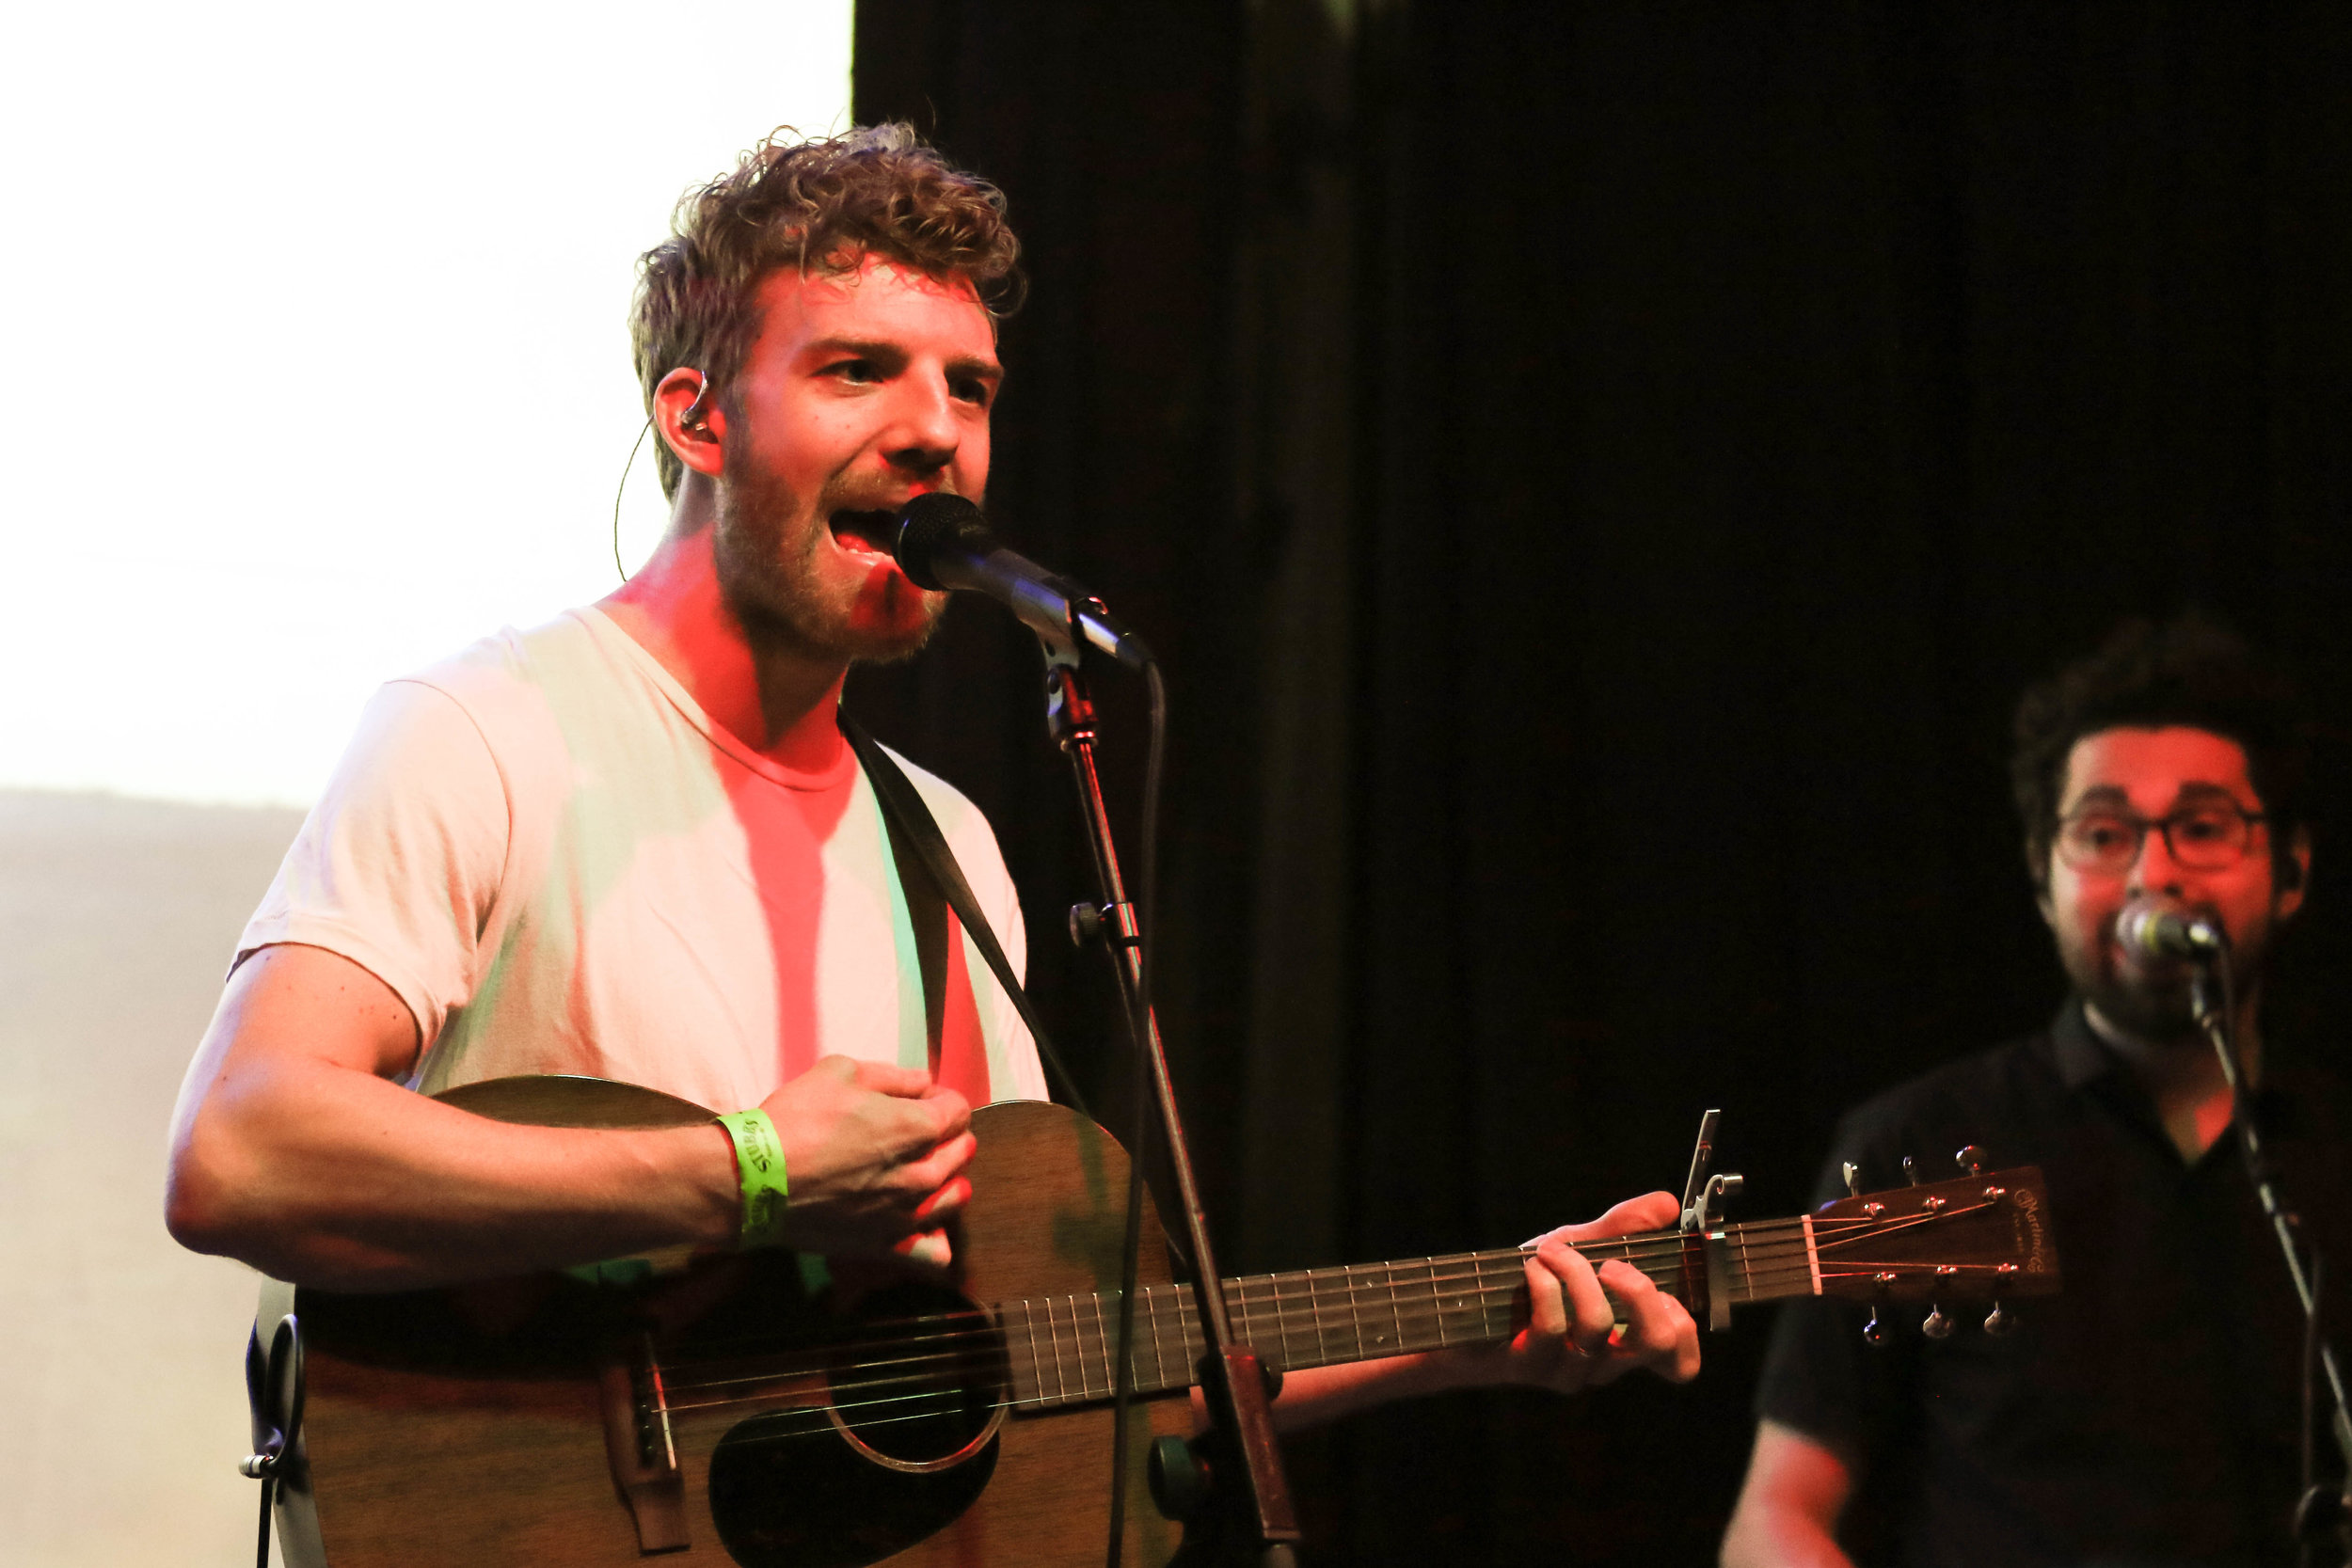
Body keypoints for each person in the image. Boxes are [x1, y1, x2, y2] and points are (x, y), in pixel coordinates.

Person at [164, 125, 1698, 1431]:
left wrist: (1464, 1336)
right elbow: (240, 1151)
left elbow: (1048, 1380)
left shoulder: (942, 840)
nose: (936, 437)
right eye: (858, 371)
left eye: (970, 389)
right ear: (696, 414)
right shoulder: (489, 728)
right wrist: (755, 1171)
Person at [1722, 615, 2349, 1567]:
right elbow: (1775, 1518)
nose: (2154, 872)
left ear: (2291, 867)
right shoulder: (1918, 1142)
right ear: (2041, 875)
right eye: (2103, 833)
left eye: (2202, 826)